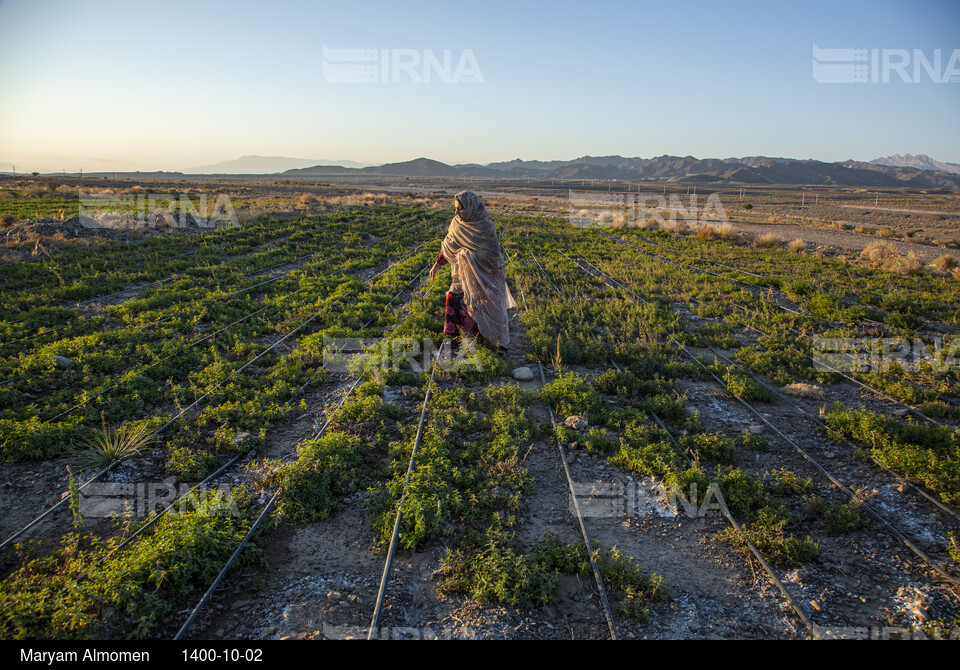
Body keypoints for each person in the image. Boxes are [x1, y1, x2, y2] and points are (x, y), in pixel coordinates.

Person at [429, 190, 516, 355]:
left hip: (487, 273)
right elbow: (450, 245)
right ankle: (461, 335)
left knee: (493, 304)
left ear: (471, 208)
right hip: (464, 273)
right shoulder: (457, 224)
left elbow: (492, 254)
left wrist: (468, 255)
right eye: (455, 208)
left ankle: (501, 343)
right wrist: (437, 264)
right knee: (454, 297)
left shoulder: (485, 226)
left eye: (460, 209)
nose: (456, 212)